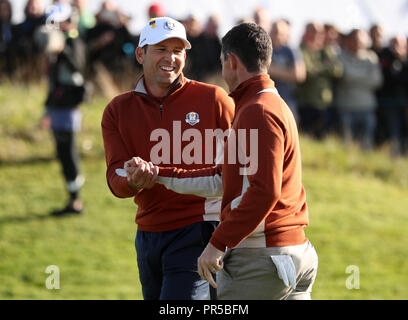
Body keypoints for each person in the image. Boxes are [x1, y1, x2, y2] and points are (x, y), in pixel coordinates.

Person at [130, 22, 318, 300]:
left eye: (222, 62)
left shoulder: (257, 110)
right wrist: (158, 173)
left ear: (231, 61)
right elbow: (223, 179)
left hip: (262, 257)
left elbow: (263, 191)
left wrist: (217, 244)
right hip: (291, 254)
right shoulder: (269, 102)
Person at [101, 17, 234, 300]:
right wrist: (133, 181)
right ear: (140, 54)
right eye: (161, 49)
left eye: (177, 50)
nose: (170, 58)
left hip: (200, 232)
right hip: (147, 235)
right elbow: (115, 177)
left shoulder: (214, 99)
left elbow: (243, 167)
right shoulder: (117, 110)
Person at [40, 2, 87, 216]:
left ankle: (75, 201)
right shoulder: (58, 42)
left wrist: (62, 49)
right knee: (62, 152)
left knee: (68, 152)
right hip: (57, 106)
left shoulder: (74, 41)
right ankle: (72, 198)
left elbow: (77, 65)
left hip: (68, 107)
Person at [335, 29, 383, 151]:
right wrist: (364, 76)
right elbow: (345, 77)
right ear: (349, 41)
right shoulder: (340, 57)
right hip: (346, 108)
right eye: (355, 40)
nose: (358, 43)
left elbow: (377, 81)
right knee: (347, 146)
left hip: (367, 108)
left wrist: (352, 76)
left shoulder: (371, 57)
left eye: (360, 40)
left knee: (366, 146)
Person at [297, 22, 343, 139]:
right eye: (313, 31)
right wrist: (325, 67)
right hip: (307, 103)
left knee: (324, 138)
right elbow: (308, 71)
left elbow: (338, 70)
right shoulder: (301, 50)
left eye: (320, 31)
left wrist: (318, 68)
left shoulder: (326, 51)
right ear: (306, 32)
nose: (317, 34)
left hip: (326, 104)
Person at [268, 19, 306, 123]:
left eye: (280, 33)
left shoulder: (291, 51)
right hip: (268, 98)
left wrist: (272, 70)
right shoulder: (266, 49)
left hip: (287, 99)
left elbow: (299, 75)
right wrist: (287, 72)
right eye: (274, 32)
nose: (277, 35)